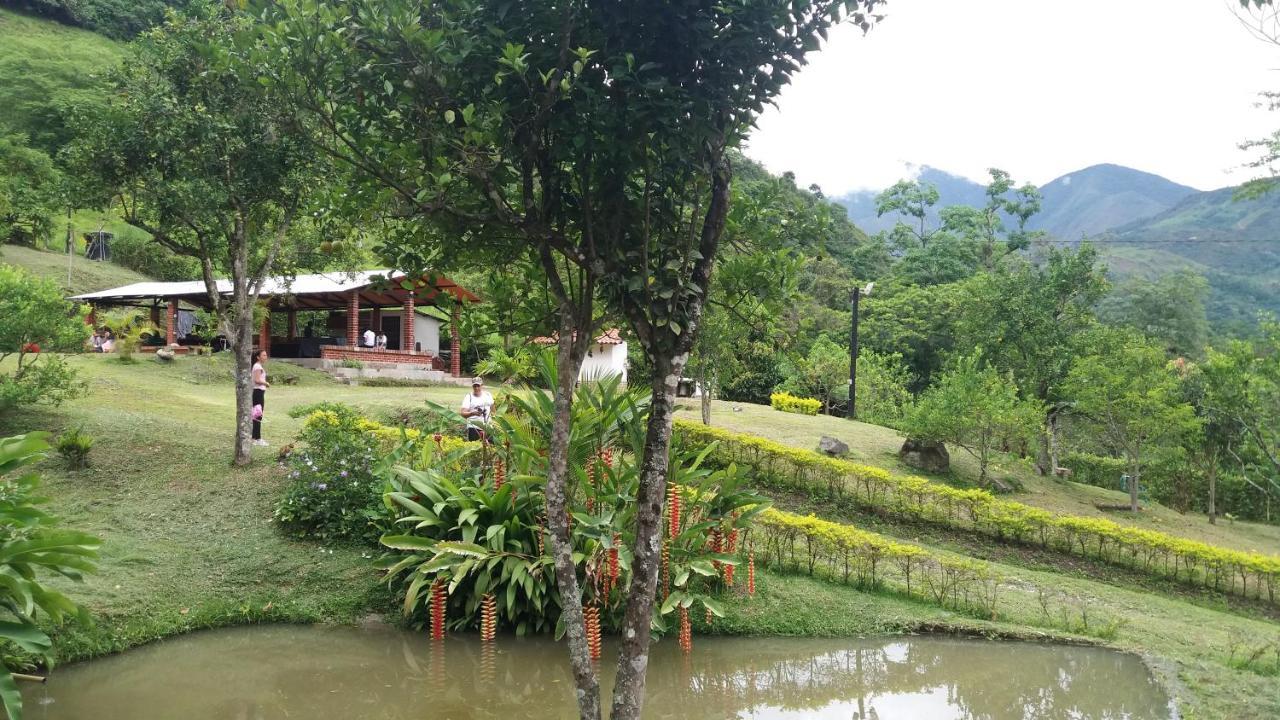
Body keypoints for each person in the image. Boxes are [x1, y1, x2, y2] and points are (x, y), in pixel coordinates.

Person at [460, 377, 494, 441]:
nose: (476, 388)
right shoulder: (469, 397)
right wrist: (472, 413)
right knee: (475, 448)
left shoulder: (488, 395)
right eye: (474, 386)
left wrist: (494, 422)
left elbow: (493, 409)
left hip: (488, 427)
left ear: (482, 385)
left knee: (490, 448)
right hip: (474, 427)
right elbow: (462, 413)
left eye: (478, 386)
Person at [251, 349, 271, 447]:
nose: (265, 357)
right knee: (257, 415)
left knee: (256, 415)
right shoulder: (257, 366)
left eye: (266, 355)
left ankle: (254, 437)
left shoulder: (258, 366)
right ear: (258, 357)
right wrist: (266, 383)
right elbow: (257, 380)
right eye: (263, 355)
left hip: (259, 392)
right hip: (257, 392)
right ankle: (257, 438)